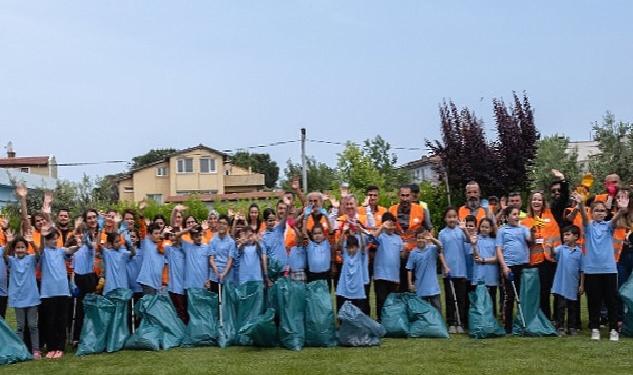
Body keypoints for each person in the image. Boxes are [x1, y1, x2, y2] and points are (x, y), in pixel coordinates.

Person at [575, 190, 628, 341]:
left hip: (609, 269)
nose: (599, 213)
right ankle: (595, 328)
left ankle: (613, 330)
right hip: (591, 270)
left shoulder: (609, 226)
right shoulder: (588, 227)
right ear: (591, 212)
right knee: (594, 301)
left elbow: (616, 218)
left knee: (611, 300)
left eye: (602, 211)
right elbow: (584, 219)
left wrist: (621, 210)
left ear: (606, 213)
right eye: (596, 210)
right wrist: (579, 204)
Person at [39, 228, 80, 359]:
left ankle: (60, 348)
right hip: (47, 292)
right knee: (49, 322)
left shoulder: (61, 251)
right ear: (46, 240)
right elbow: (40, 247)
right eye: (51, 238)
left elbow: (71, 250)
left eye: (56, 238)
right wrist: (42, 234)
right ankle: (51, 348)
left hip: (62, 291)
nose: (55, 240)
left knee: (61, 321)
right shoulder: (43, 252)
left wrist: (79, 244)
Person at [520, 191, 561, 320]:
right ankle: (537, 318)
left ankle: (550, 319)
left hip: (549, 259)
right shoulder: (525, 221)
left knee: (548, 291)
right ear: (530, 202)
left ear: (543, 203)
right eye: (534, 200)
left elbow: (555, 238)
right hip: (533, 261)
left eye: (539, 200)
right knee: (535, 292)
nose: (536, 202)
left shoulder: (550, 218)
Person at [4, 232, 41, 359]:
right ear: (15, 249)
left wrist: (32, 242)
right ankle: (21, 350)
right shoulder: (12, 261)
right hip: (17, 298)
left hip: (31, 297)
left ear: (26, 249)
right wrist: (9, 242)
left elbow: (39, 254)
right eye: (18, 247)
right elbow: (4, 255)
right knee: (20, 326)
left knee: (32, 325)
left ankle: (36, 350)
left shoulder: (31, 259)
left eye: (22, 247)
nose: (20, 250)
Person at [496, 206, 532, 334]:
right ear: (507, 217)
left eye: (518, 214)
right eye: (514, 214)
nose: (517, 216)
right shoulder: (502, 230)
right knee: (510, 296)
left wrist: (533, 233)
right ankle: (508, 325)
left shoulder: (524, 229)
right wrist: (504, 267)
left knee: (523, 295)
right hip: (509, 266)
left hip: (523, 265)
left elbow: (530, 241)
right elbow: (499, 249)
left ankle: (524, 321)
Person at [389, 185, 426, 292]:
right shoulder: (391, 210)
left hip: (415, 254)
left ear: (411, 196)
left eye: (407, 195)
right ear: (398, 196)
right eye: (402, 195)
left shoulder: (421, 210)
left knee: (415, 287)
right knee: (398, 287)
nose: (405, 198)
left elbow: (428, 230)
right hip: (397, 255)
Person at [438, 207, 470, 333]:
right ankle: (451, 322)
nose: (452, 219)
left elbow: (469, 240)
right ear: (445, 219)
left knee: (461, 299)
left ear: (458, 218)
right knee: (450, 298)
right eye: (449, 217)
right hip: (449, 272)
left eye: (454, 217)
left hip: (461, 271)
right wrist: (445, 266)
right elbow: (440, 251)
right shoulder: (442, 233)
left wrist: (465, 229)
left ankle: (460, 322)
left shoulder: (461, 231)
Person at [551, 225, 583, 336]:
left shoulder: (579, 252)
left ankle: (572, 327)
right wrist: (550, 247)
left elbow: (582, 270)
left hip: (573, 285)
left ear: (576, 237)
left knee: (573, 307)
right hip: (561, 285)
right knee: (560, 307)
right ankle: (560, 327)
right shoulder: (560, 249)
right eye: (564, 235)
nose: (565, 237)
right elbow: (553, 255)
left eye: (567, 234)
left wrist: (582, 285)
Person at [371, 212, 404, 321]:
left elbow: (401, 254)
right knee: (381, 299)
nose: (390, 227)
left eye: (392, 224)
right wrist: (381, 227)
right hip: (380, 275)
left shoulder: (398, 238)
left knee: (392, 300)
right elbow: (371, 239)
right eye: (387, 224)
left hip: (394, 275)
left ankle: (391, 321)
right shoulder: (380, 236)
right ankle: (380, 320)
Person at [407, 228, 448, 313]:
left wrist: (432, 239)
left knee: (437, 311)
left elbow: (440, 246)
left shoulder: (432, 249)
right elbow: (409, 269)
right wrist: (410, 284)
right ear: (415, 239)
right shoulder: (413, 253)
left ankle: (438, 326)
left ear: (426, 239)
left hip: (433, 288)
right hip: (420, 288)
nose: (421, 240)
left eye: (423, 238)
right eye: (419, 238)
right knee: (422, 312)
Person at [470, 218, 500, 315]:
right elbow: (475, 256)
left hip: (491, 276)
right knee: (479, 299)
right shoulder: (476, 239)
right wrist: (474, 245)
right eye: (482, 226)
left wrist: (483, 260)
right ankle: (479, 321)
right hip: (478, 275)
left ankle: (492, 320)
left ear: (491, 229)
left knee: (491, 299)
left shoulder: (495, 241)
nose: (484, 229)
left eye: (486, 227)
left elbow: (496, 258)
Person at [335, 233, 369, 315]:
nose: (351, 250)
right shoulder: (346, 255)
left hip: (357, 288)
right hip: (346, 288)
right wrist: (344, 232)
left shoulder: (360, 256)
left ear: (357, 247)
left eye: (353, 247)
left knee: (358, 310)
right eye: (349, 248)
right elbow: (339, 245)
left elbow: (363, 246)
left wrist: (360, 232)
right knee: (345, 310)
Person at [209, 215, 237, 292]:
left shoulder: (231, 242)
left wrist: (224, 273)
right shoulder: (212, 241)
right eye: (220, 223)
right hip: (214, 276)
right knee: (216, 300)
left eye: (224, 224)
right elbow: (211, 259)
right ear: (217, 225)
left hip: (227, 276)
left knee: (226, 301)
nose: (222, 225)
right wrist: (216, 271)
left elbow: (230, 259)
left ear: (228, 226)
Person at [136, 224, 165, 295]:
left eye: (159, 233)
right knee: (149, 305)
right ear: (149, 235)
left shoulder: (162, 246)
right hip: (147, 281)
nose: (158, 235)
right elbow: (143, 231)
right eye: (156, 233)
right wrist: (142, 217)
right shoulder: (146, 243)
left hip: (157, 282)